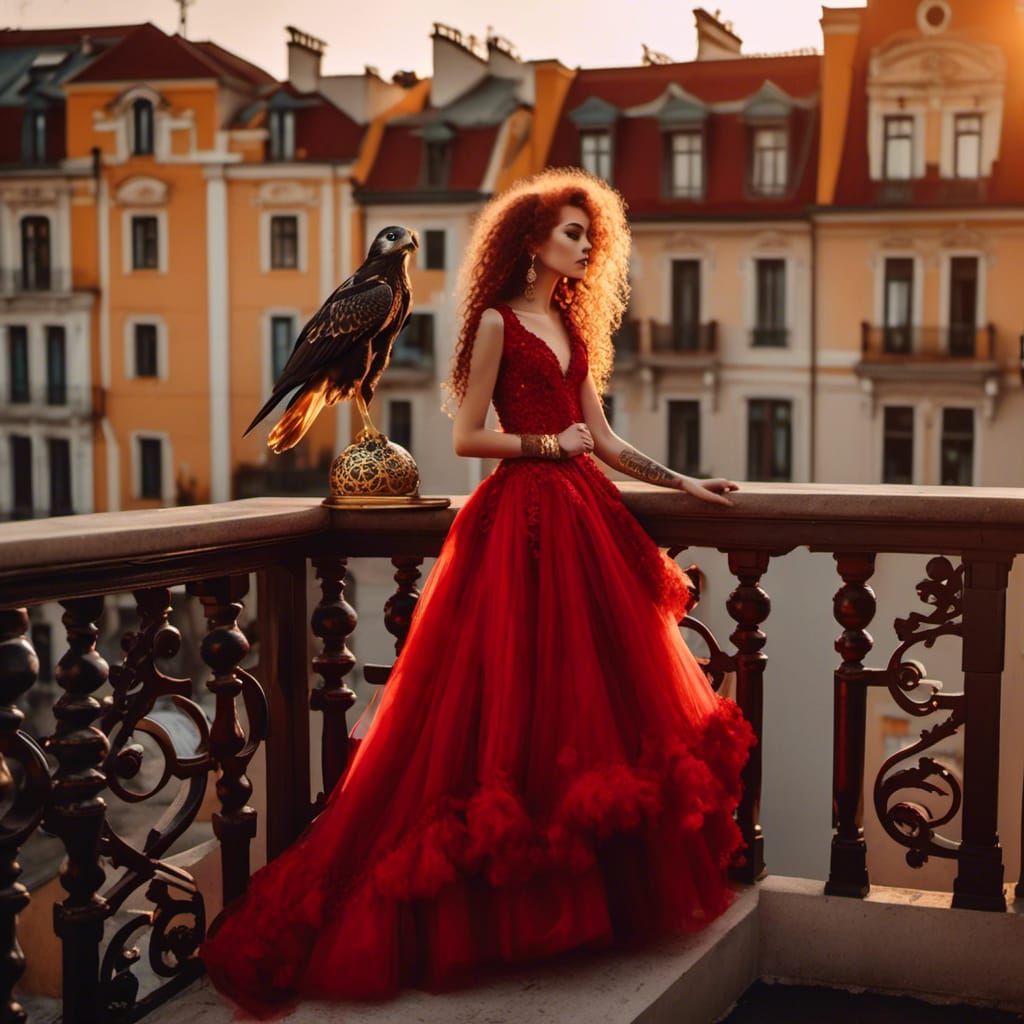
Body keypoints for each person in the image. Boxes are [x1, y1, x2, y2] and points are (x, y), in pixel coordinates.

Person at [200, 167, 755, 1017]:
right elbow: (467, 437)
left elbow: (602, 439)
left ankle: (570, 912)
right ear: (530, 242)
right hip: (520, 523)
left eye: (588, 234)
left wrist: (686, 486)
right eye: (571, 232)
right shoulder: (497, 321)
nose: (584, 244)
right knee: (496, 711)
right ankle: (487, 919)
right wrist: (544, 442)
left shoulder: (571, 322)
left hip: (581, 521)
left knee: (577, 711)